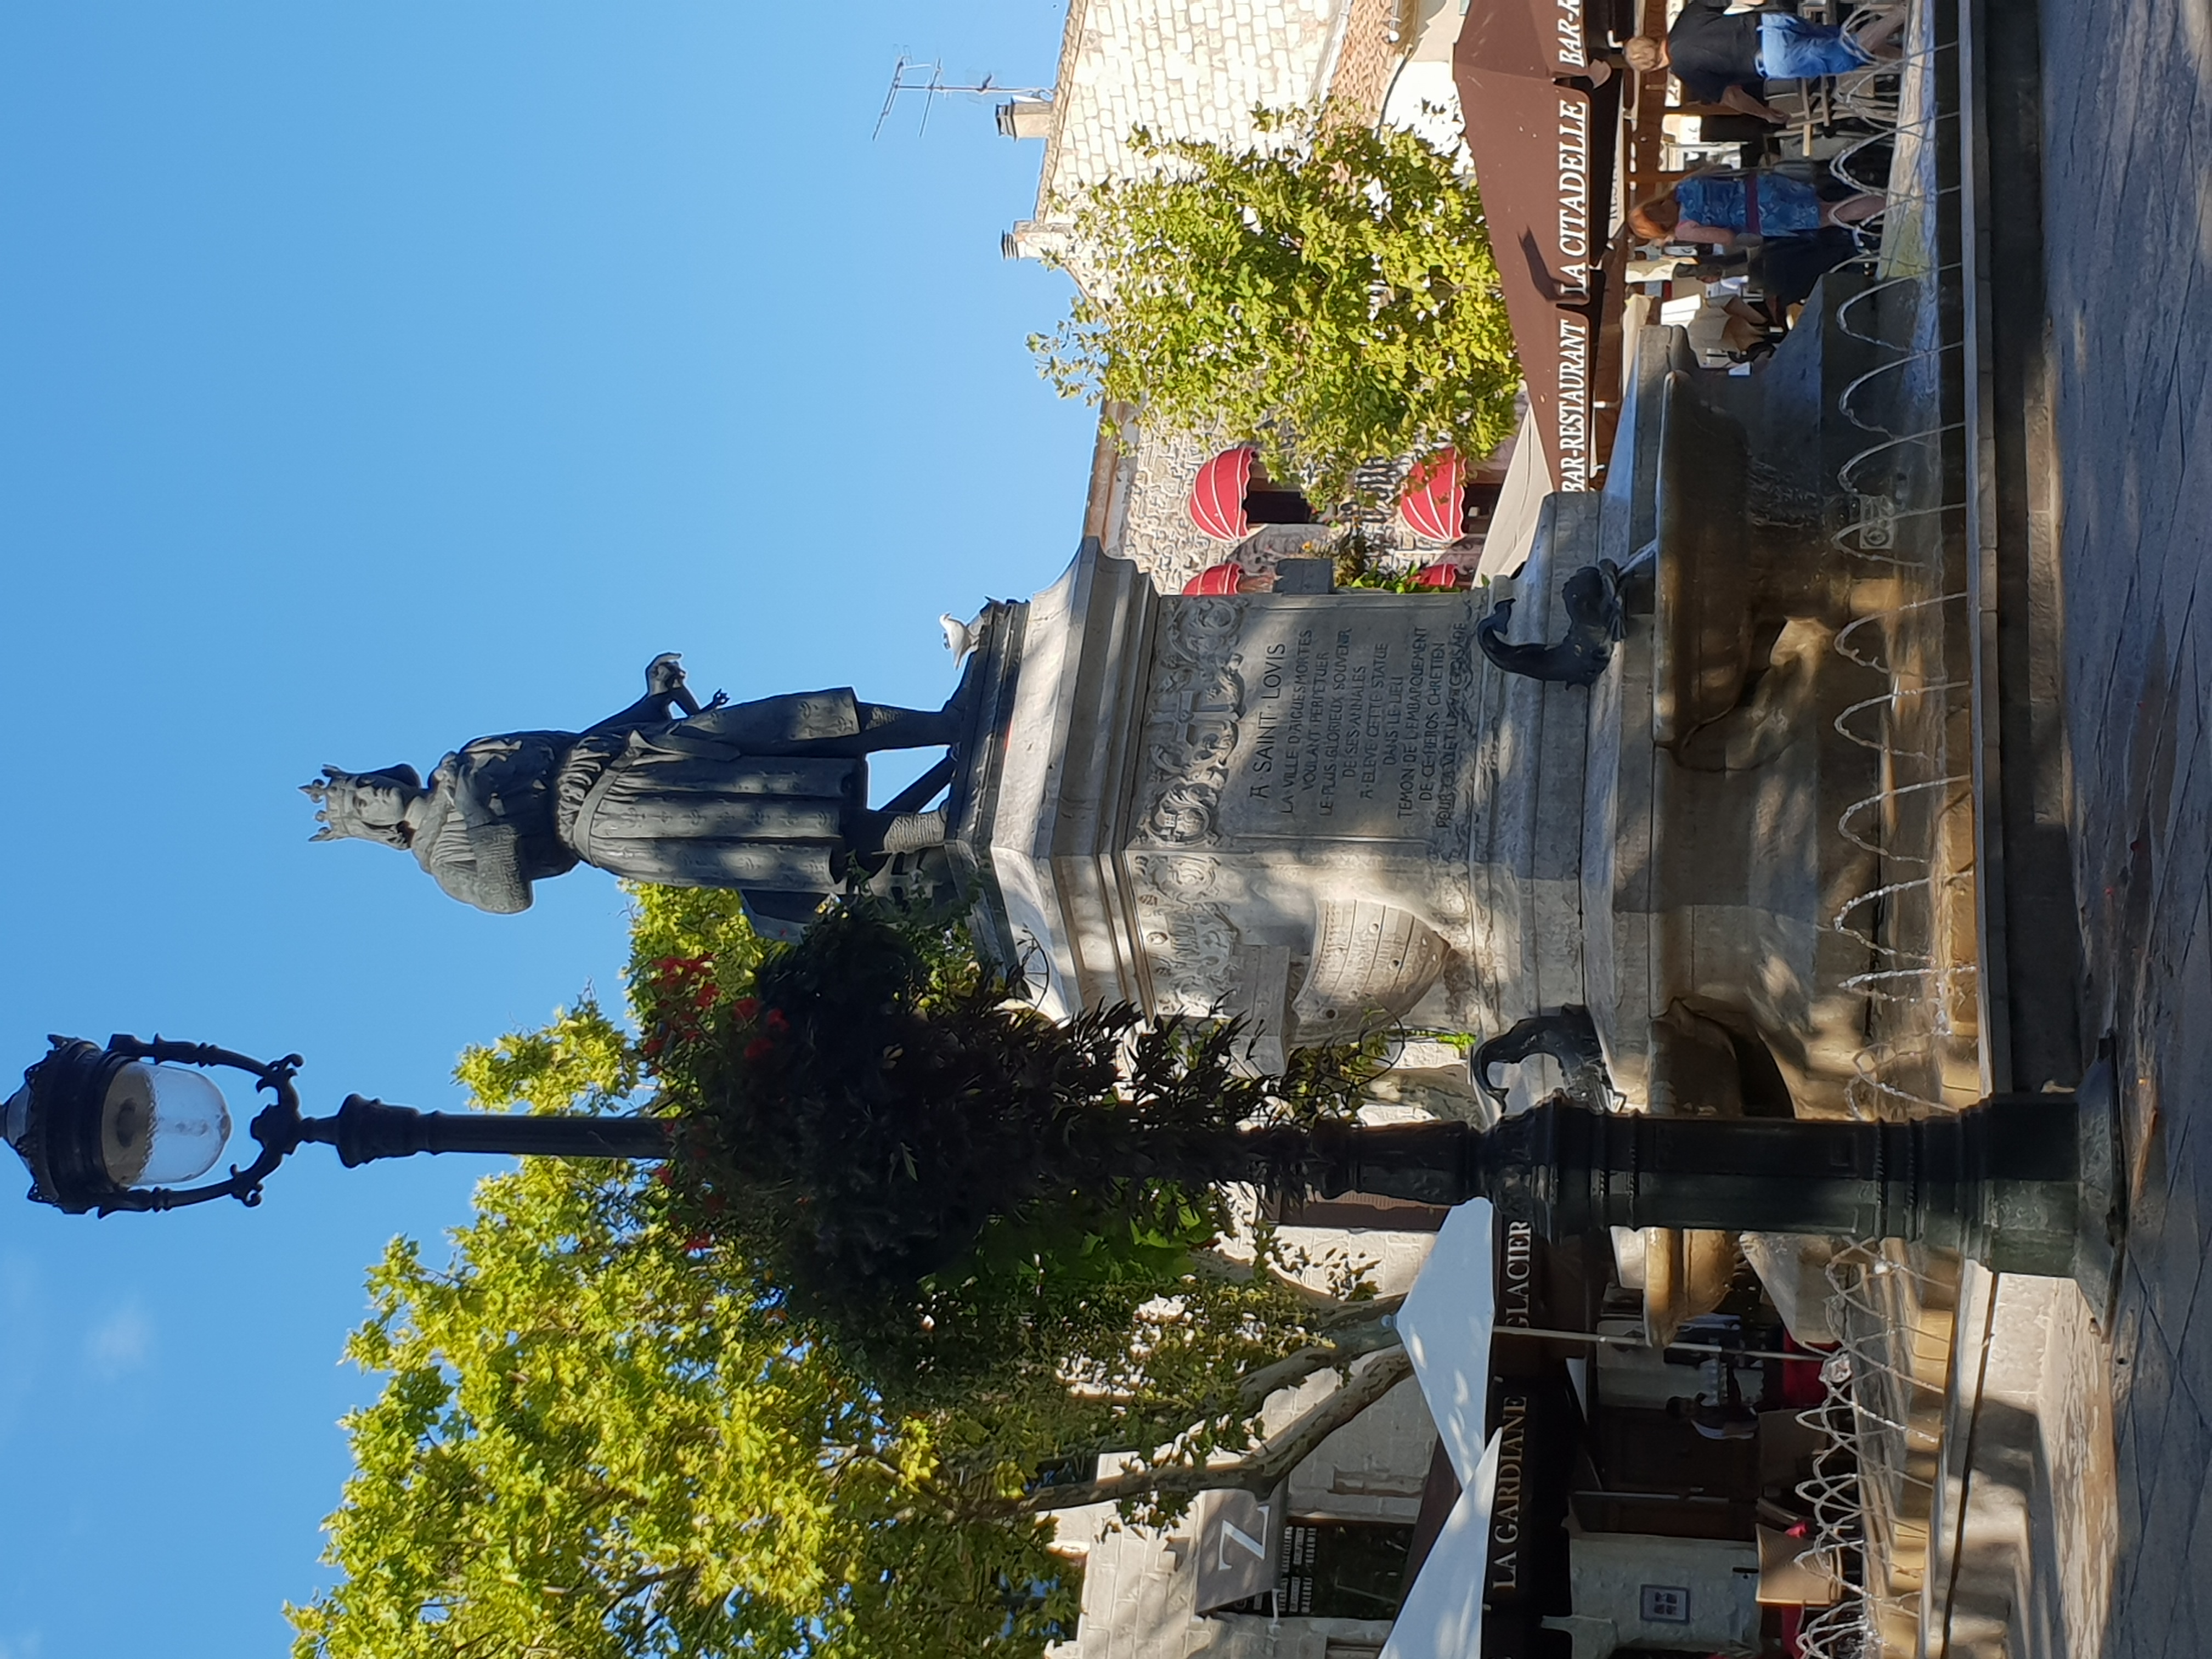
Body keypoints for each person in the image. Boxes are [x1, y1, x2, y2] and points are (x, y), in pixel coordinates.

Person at [304, 652, 964, 928]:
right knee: (785, 829)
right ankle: (945, 825)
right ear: (376, 831)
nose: (370, 795)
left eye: (363, 785)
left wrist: (646, 703)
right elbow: (509, 898)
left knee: (786, 725)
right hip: (615, 824)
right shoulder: (443, 862)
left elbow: (572, 745)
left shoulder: (473, 752)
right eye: (361, 804)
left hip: (627, 755)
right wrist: (477, 813)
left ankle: (950, 721)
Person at [1623, 3, 1908, 126]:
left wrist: (1765, 114)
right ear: (1652, 37)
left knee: (1846, 54)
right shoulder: (1686, 19)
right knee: (1842, 38)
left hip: (1771, 59)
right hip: (1772, 23)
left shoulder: (1686, 72)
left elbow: (1733, 96)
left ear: (1651, 68)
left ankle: (1901, 14)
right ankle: (1910, 59)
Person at [1629, 171, 1885, 249]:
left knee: (1830, 215)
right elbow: (1722, 169)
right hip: (1762, 186)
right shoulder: (1684, 186)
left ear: (1657, 229)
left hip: (1763, 215)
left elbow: (1726, 237)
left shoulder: (1685, 228)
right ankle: (1885, 197)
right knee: (1828, 206)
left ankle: (1890, 202)